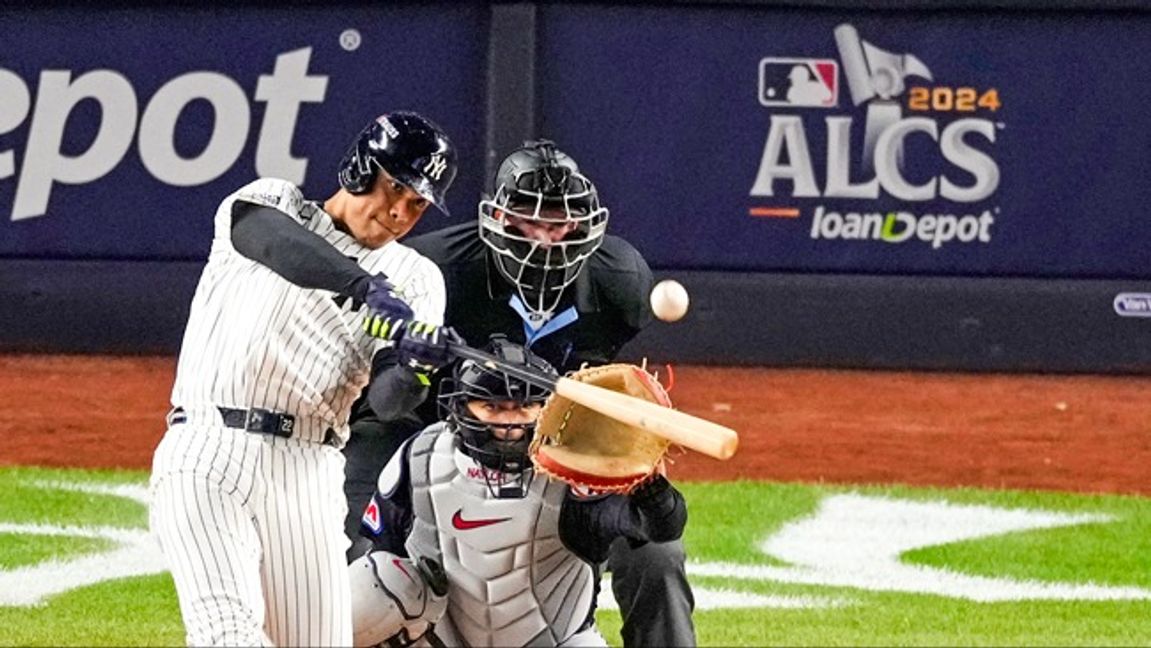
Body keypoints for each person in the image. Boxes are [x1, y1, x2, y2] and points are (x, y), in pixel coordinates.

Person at [342, 139, 696, 646]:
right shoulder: (431, 271)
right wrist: (417, 365)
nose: (546, 240)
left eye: (559, 225)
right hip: (418, 438)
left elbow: (595, 403)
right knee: (367, 574)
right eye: (530, 223)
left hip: (545, 443)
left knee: (657, 553)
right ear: (497, 219)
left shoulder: (619, 283)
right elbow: (385, 403)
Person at [149, 111, 462, 646]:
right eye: (395, 189)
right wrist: (365, 287)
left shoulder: (417, 279)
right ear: (363, 168)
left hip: (310, 471)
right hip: (207, 452)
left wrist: (415, 366)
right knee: (229, 635)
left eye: (417, 204)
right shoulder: (272, 203)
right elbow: (275, 244)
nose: (400, 213)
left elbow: (387, 403)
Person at [347, 337, 687, 647]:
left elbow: (661, 529)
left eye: (524, 407)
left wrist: (649, 489)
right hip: (442, 641)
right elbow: (379, 551)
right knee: (377, 582)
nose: (509, 424)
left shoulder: (574, 475)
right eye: (493, 407)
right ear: (462, 409)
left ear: (547, 411)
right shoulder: (420, 457)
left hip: (556, 641)